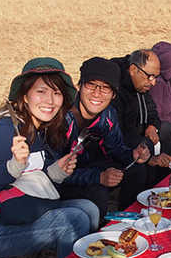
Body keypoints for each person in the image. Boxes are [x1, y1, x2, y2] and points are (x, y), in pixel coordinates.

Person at [0, 57, 100, 258]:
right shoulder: (1, 130)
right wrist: (11, 167)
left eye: (56, 93)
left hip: (18, 212)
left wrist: (55, 173)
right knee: (73, 219)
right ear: (24, 95)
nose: (50, 101)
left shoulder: (38, 128)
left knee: (89, 209)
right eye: (41, 92)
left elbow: (30, 181)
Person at [58, 57, 151, 218]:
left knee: (137, 169)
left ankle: (129, 219)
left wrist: (132, 155)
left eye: (106, 88)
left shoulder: (108, 114)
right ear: (79, 86)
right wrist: (99, 177)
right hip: (64, 180)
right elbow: (56, 172)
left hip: (93, 167)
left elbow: (115, 148)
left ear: (114, 94)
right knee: (97, 192)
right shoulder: (62, 119)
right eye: (91, 85)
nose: (97, 93)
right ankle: (99, 235)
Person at [110, 49, 171, 166]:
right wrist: (151, 158)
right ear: (133, 70)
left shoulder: (141, 86)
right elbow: (120, 133)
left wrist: (152, 126)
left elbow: (152, 110)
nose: (153, 82)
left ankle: (169, 177)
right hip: (123, 144)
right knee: (144, 145)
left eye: (156, 77)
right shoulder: (116, 91)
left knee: (166, 129)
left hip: (140, 133)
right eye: (150, 76)